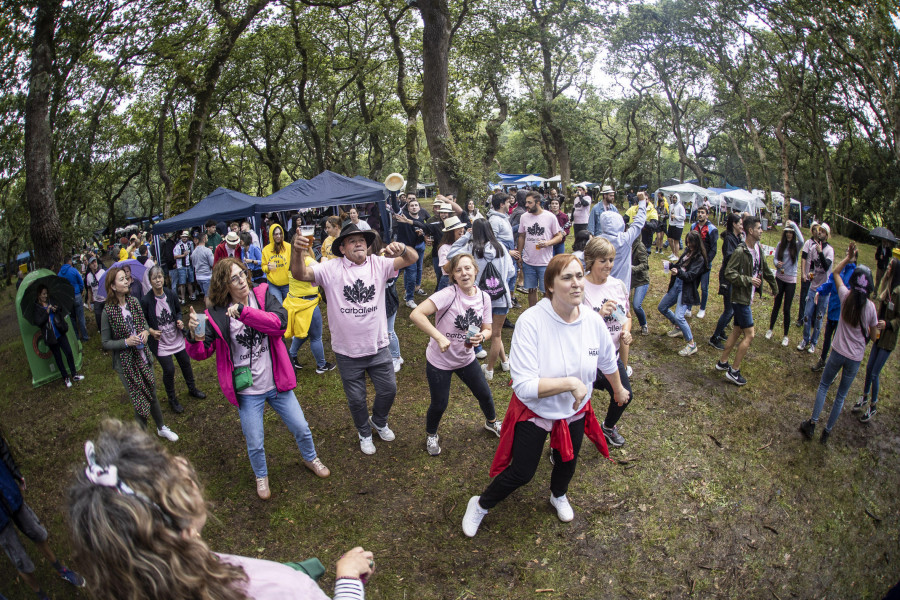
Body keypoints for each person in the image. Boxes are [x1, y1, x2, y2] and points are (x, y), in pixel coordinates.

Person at [68, 419, 373, 599]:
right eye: (168, 466)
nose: (182, 462)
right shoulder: (279, 589)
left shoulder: (147, 582)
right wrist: (347, 580)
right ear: (181, 530)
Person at [461, 254, 628, 537]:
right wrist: (570, 383)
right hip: (535, 410)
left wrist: (618, 387)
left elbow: (607, 361)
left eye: (579, 276)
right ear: (549, 285)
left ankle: (558, 494)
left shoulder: (592, 321)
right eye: (567, 278)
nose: (577, 284)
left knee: (567, 460)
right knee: (523, 472)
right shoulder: (531, 322)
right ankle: (480, 504)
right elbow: (523, 386)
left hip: (574, 409)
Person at [186, 259, 330, 499]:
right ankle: (261, 476)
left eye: (242, 274)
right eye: (234, 278)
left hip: (276, 382)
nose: (242, 280)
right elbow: (202, 353)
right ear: (224, 284)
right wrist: (194, 334)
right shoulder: (216, 314)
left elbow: (278, 324)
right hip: (247, 390)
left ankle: (310, 458)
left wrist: (245, 313)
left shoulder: (262, 295)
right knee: (254, 441)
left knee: (301, 427)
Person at [292, 224, 417, 455]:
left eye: (362, 240)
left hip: (378, 346)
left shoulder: (379, 264)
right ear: (342, 247)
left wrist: (402, 249)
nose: (359, 243)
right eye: (352, 240)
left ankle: (378, 421)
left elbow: (412, 258)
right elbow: (300, 274)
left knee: (389, 390)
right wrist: (296, 252)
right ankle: (364, 432)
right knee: (357, 399)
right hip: (347, 350)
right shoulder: (330, 268)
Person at [409, 253, 500, 455]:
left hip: (466, 358)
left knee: (484, 394)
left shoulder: (484, 297)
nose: (464, 273)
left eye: (468, 268)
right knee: (440, 403)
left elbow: (488, 329)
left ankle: (492, 422)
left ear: (476, 270)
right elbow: (416, 314)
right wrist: (439, 337)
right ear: (454, 276)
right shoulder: (448, 294)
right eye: (458, 270)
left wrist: (482, 338)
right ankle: (431, 434)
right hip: (439, 361)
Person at [799, 243, 878, 443]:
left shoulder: (845, 296)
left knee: (824, 386)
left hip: (837, 351)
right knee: (841, 395)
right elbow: (875, 336)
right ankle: (827, 432)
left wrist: (848, 259)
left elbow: (834, 273)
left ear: (852, 282)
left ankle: (812, 423)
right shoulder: (871, 308)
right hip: (855, 358)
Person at [1, 430, 84, 599]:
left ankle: (61, 569)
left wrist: (14, 472)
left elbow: (1, 447)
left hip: (9, 492)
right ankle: (41, 595)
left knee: (38, 533)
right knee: (20, 560)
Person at [101, 267, 178, 441]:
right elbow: (105, 343)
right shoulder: (108, 312)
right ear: (113, 286)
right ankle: (141, 438)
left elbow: (143, 324)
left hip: (143, 357)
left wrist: (145, 332)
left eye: (126, 278)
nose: (127, 281)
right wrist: (125, 342)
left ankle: (161, 427)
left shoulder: (134, 302)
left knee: (151, 392)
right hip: (126, 364)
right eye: (122, 279)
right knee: (139, 399)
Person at [447, 219, 516, 380]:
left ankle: (489, 369)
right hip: (501, 298)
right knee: (496, 333)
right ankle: (505, 362)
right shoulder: (501, 248)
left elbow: (451, 255)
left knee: (484, 332)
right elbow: (511, 272)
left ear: (474, 232)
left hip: (480, 299)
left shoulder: (470, 249)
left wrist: (465, 236)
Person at [582, 238, 634, 447]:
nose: (609, 265)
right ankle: (561, 445)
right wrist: (599, 314)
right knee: (573, 405)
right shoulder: (580, 287)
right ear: (591, 260)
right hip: (584, 358)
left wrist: (625, 332)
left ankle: (608, 427)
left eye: (611, 260)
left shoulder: (618, 285)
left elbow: (627, 316)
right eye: (603, 260)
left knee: (623, 396)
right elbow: (573, 325)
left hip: (610, 357)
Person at [715, 216, 777, 386]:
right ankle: (734, 371)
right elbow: (729, 273)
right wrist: (748, 279)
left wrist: (775, 287)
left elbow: (764, 268)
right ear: (751, 231)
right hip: (739, 299)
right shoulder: (740, 251)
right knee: (750, 334)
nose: (762, 231)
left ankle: (722, 362)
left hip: (746, 298)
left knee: (736, 331)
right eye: (759, 228)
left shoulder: (758, 248)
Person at [141, 266, 206, 414]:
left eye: (160, 277)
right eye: (154, 278)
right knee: (169, 369)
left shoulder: (170, 294)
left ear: (164, 278)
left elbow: (177, 311)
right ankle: (172, 399)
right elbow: (142, 320)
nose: (158, 280)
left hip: (175, 337)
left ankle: (192, 388)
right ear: (150, 281)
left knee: (185, 363)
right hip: (161, 342)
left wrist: (178, 320)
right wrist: (150, 331)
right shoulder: (146, 301)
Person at [853, 257, 899, 422]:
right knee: (869, 368)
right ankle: (865, 396)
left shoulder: (898, 292)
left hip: (888, 340)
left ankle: (873, 406)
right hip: (878, 336)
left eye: (890, 267)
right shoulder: (888, 288)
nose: (887, 268)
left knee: (875, 373)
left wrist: (888, 324)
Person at [285, 232, 336, 374]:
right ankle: (321, 365)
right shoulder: (307, 261)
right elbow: (324, 269)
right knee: (316, 336)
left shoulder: (292, 261)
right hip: (308, 305)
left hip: (294, 303)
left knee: (305, 333)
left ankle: (291, 355)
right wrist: (326, 258)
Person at [657, 230, 707, 356]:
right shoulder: (687, 252)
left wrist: (678, 272)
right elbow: (680, 266)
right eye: (687, 242)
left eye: (691, 243)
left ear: (696, 243)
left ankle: (691, 344)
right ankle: (679, 327)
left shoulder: (699, 259)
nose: (688, 245)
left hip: (686, 289)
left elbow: (690, 276)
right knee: (662, 307)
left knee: (680, 316)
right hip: (677, 284)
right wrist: (671, 265)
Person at [517, 191, 564, 307]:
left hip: (545, 262)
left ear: (538, 203)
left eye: (530, 202)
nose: (526, 205)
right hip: (529, 261)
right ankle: (533, 312)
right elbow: (522, 236)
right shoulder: (524, 217)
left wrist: (548, 243)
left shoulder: (550, 217)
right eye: (526, 202)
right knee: (531, 289)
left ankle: (547, 311)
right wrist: (519, 254)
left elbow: (559, 236)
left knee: (546, 290)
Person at [33, 283, 84, 387]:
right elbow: (39, 322)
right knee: (58, 357)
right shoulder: (37, 308)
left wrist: (56, 309)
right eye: (43, 294)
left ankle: (74, 374)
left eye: (46, 293)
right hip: (51, 336)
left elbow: (60, 309)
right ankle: (65, 377)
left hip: (59, 331)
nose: (45, 296)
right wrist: (46, 312)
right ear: (39, 295)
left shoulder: (51, 300)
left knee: (69, 352)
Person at [810, 260, 857, 372]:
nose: (847, 256)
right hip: (832, 311)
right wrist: (819, 291)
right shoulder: (840, 271)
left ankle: (833, 369)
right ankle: (822, 360)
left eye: (850, 254)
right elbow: (831, 282)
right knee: (827, 338)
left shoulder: (854, 273)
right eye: (847, 253)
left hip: (842, 315)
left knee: (838, 344)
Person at [598, 192, 647, 291]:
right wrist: (642, 202)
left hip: (600, 288)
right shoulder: (625, 240)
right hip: (621, 288)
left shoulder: (596, 242)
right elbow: (638, 223)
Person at [708, 213, 744, 350]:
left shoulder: (737, 237)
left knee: (730, 309)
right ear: (734, 224)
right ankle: (714, 337)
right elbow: (730, 257)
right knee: (730, 310)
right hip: (728, 278)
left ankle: (721, 330)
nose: (742, 226)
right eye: (740, 223)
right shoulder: (729, 239)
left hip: (733, 276)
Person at [765, 221, 804, 346]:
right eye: (787, 232)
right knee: (776, 304)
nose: (789, 234)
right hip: (780, 278)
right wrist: (777, 264)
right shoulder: (780, 244)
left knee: (786, 308)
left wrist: (794, 225)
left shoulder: (796, 246)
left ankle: (786, 335)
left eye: (791, 232)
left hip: (791, 280)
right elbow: (775, 258)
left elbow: (802, 240)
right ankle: (770, 329)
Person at [797, 223, 834, 354]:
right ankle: (805, 339)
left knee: (819, 318)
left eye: (823, 232)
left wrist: (820, 252)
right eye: (819, 231)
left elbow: (825, 267)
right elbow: (812, 264)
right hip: (813, 288)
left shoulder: (829, 251)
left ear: (827, 235)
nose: (820, 233)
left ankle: (814, 343)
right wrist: (809, 273)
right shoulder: (813, 248)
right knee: (807, 315)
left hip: (824, 290)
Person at [688, 206, 719, 318]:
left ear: (707, 215)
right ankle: (689, 307)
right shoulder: (693, 226)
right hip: (694, 261)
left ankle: (702, 308)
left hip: (705, 263)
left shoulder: (712, 229)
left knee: (704, 287)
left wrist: (706, 261)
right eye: (699, 212)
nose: (700, 214)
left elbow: (714, 249)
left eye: (703, 213)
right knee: (693, 284)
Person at [57, 255, 90, 342]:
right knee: (81, 317)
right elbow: (81, 282)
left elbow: (59, 288)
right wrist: (80, 290)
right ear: (70, 261)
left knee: (72, 318)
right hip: (76, 295)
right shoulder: (73, 270)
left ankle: (76, 337)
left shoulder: (59, 274)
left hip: (67, 298)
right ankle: (85, 337)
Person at [795, 223, 821, 327]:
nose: (817, 232)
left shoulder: (821, 245)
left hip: (817, 277)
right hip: (807, 275)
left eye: (818, 230)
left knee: (815, 298)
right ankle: (801, 318)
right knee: (804, 297)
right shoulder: (808, 243)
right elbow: (804, 258)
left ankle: (812, 320)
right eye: (814, 229)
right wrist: (803, 273)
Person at [629, 224, 650, 337]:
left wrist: (633, 268)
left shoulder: (640, 246)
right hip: (630, 279)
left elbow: (644, 265)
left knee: (636, 305)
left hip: (641, 280)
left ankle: (644, 325)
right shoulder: (627, 244)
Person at [435, 216, 466, 292]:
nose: (462, 230)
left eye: (462, 227)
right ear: (450, 232)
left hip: (462, 278)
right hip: (449, 281)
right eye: (458, 228)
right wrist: (457, 253)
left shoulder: (465, 244)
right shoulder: (444, 247)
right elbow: (446, 269)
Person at [261, 223, 290, 303]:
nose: (278, 236)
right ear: (271, 235)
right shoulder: (266, 250)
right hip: (273, 284)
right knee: (278, 306)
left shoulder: (288, 247)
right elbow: (263, 266)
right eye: (276, 234)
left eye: (280, 233)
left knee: (289, 307)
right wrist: (268, 268)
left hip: (287, 283)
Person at [85, 256, 107, 333]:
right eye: (92, 263)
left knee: (108, 316)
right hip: (96, 300)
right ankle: (102, 331)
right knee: (98, 317)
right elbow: (89, 289)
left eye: (95, 262)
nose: (94, 264)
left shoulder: (102, 272)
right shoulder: (88, 276)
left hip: (105, 299)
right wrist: (89, 301)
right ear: (90, 265)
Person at [172, 231, 195, 304]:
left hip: (189, 265)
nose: (184, 238)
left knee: (190, 282)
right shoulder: (178, 245)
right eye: (183, 237)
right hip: (181, 266)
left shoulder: (190, 244)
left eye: (186, 236)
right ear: (181, 237)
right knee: (182, 283)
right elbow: (175, 256)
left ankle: (191, 295)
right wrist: (183, 255)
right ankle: (183, 298)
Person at [191, 232, 215, 297]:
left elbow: (193, 264)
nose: (207, 239)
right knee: (209, 296)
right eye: (207, 238)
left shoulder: (194, 252)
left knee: (206, 295)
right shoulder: (207, 251)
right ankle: (208, 307)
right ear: (204, 239)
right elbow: (212, 263)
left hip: (198, 276)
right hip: (207, 276)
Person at [666, 193, 686, 260]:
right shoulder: (671, 206)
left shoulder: (680, 207)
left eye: (675, 198)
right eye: (673, 198)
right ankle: (673, 253)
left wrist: (675, 217)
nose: (674, 199)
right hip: (671, 224)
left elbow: (683, 217)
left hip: (678, 225)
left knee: (676, 241)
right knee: (669, 239)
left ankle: (676, 256)